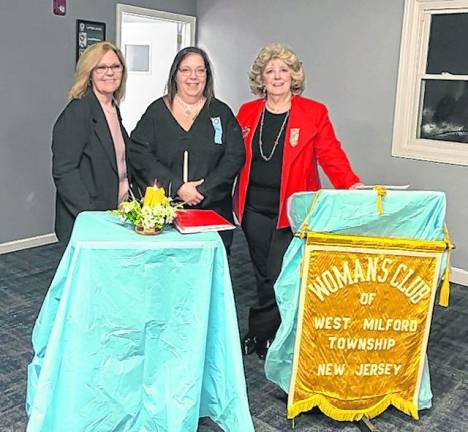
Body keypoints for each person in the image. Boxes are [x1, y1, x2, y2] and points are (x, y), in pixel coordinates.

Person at [234, 43, 362, 359]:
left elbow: (330, 154)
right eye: (270, 71)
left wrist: (351, 184)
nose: (277, 76)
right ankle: (263, 332)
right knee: (261, 272)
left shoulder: (313, 113)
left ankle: (268, 334)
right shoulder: (247, 113)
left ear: (293, 76)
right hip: (252, 209)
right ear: (260, 79)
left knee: (280, 274)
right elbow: (231, 157)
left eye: (283, 70)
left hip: (288, 211)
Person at [129, 47, 245, 249]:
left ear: (207, 76)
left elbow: (234, 158)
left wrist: (201, 190)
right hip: (165, 214)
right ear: (175, 75)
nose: (193, 77)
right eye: (186, 70)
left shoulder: (221, 112)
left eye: (200, 70)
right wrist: (177, 187)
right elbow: (139, 154)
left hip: (212, 213)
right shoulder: (157, 112)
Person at [52, 41, 131, 243]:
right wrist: (91, 215)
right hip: (90, 218)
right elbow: (64, 171)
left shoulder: (112, 108)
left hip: (116, 212)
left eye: (115, 66)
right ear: (89, 73)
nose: (110, 72)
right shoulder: (78, 111)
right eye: (101, 67)